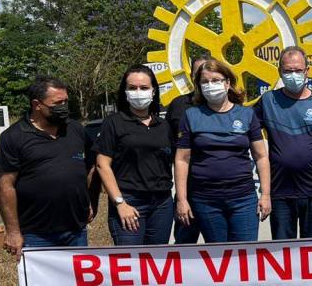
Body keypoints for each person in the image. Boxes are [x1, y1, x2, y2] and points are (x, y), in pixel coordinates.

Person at [0, 76, 99, 286]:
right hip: (36, 233)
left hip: (75, 229)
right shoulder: (14, 137)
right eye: (58, 103)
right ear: (37, 105)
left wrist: (89, 200)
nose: (65, 107)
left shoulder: (75, 130)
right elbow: (5, 186)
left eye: (66, 101)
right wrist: (13, 231)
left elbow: (91, 167)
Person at [174, 59, 270, 243]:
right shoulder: (191, 116)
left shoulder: (246, 114)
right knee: (219, 255)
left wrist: (265, 195)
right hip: (206, 201)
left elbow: (261, 156)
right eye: (205, 81)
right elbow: (181, 159)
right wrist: (182, 199)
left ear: (227, 83)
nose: (210, 85)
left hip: (243, 198)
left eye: (216, 80)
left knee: (245, 254)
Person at [256, 46, 312, 239]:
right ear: (280, 71)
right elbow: (248, 132)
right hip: (280, 191)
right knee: (283, 250)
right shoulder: (268, 101)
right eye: (288, 71)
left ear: (307, 71)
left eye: (298, 70)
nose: (293, 75)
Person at [95, 64, 174, 246]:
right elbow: (102, 165)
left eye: (144, 88)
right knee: (131, 259)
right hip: (129, 200)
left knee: (157, 259)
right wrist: (120, 203)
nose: (138, 92)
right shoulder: (113, 123)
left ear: (153, 91)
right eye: (132, 88)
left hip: (162, 204)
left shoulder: (163, 125)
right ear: (125, 92)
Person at [165, 57, 207, 243]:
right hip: (187, 190)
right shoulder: (178, 105)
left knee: (222, 247)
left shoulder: (227, 105)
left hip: (217, 190)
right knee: (184, 244)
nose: (203, 77)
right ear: (191, 76)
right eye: (198, 73)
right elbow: (166, 143)